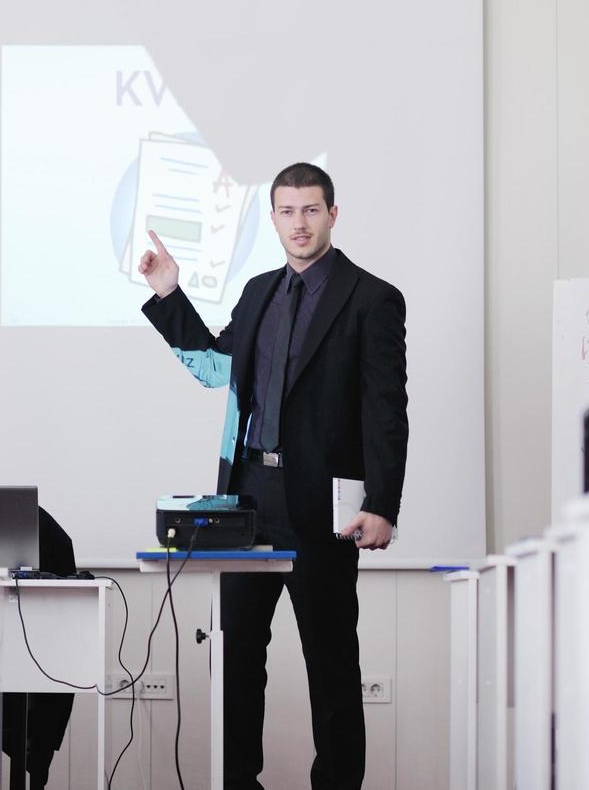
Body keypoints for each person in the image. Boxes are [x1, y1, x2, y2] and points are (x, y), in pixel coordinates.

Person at [138, 162, 408, 790]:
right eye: (287, 212)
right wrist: (170, 295)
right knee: (236, 659)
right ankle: (239, 782)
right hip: (249, 501)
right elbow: (214, 371)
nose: (299, 223)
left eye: (311, 210)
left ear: (332, 215)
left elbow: (385, 412)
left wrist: (383, 503)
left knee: (333, 662)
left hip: (326, 506)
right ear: (274, 219)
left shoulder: (372, 299)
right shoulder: (258, 291)